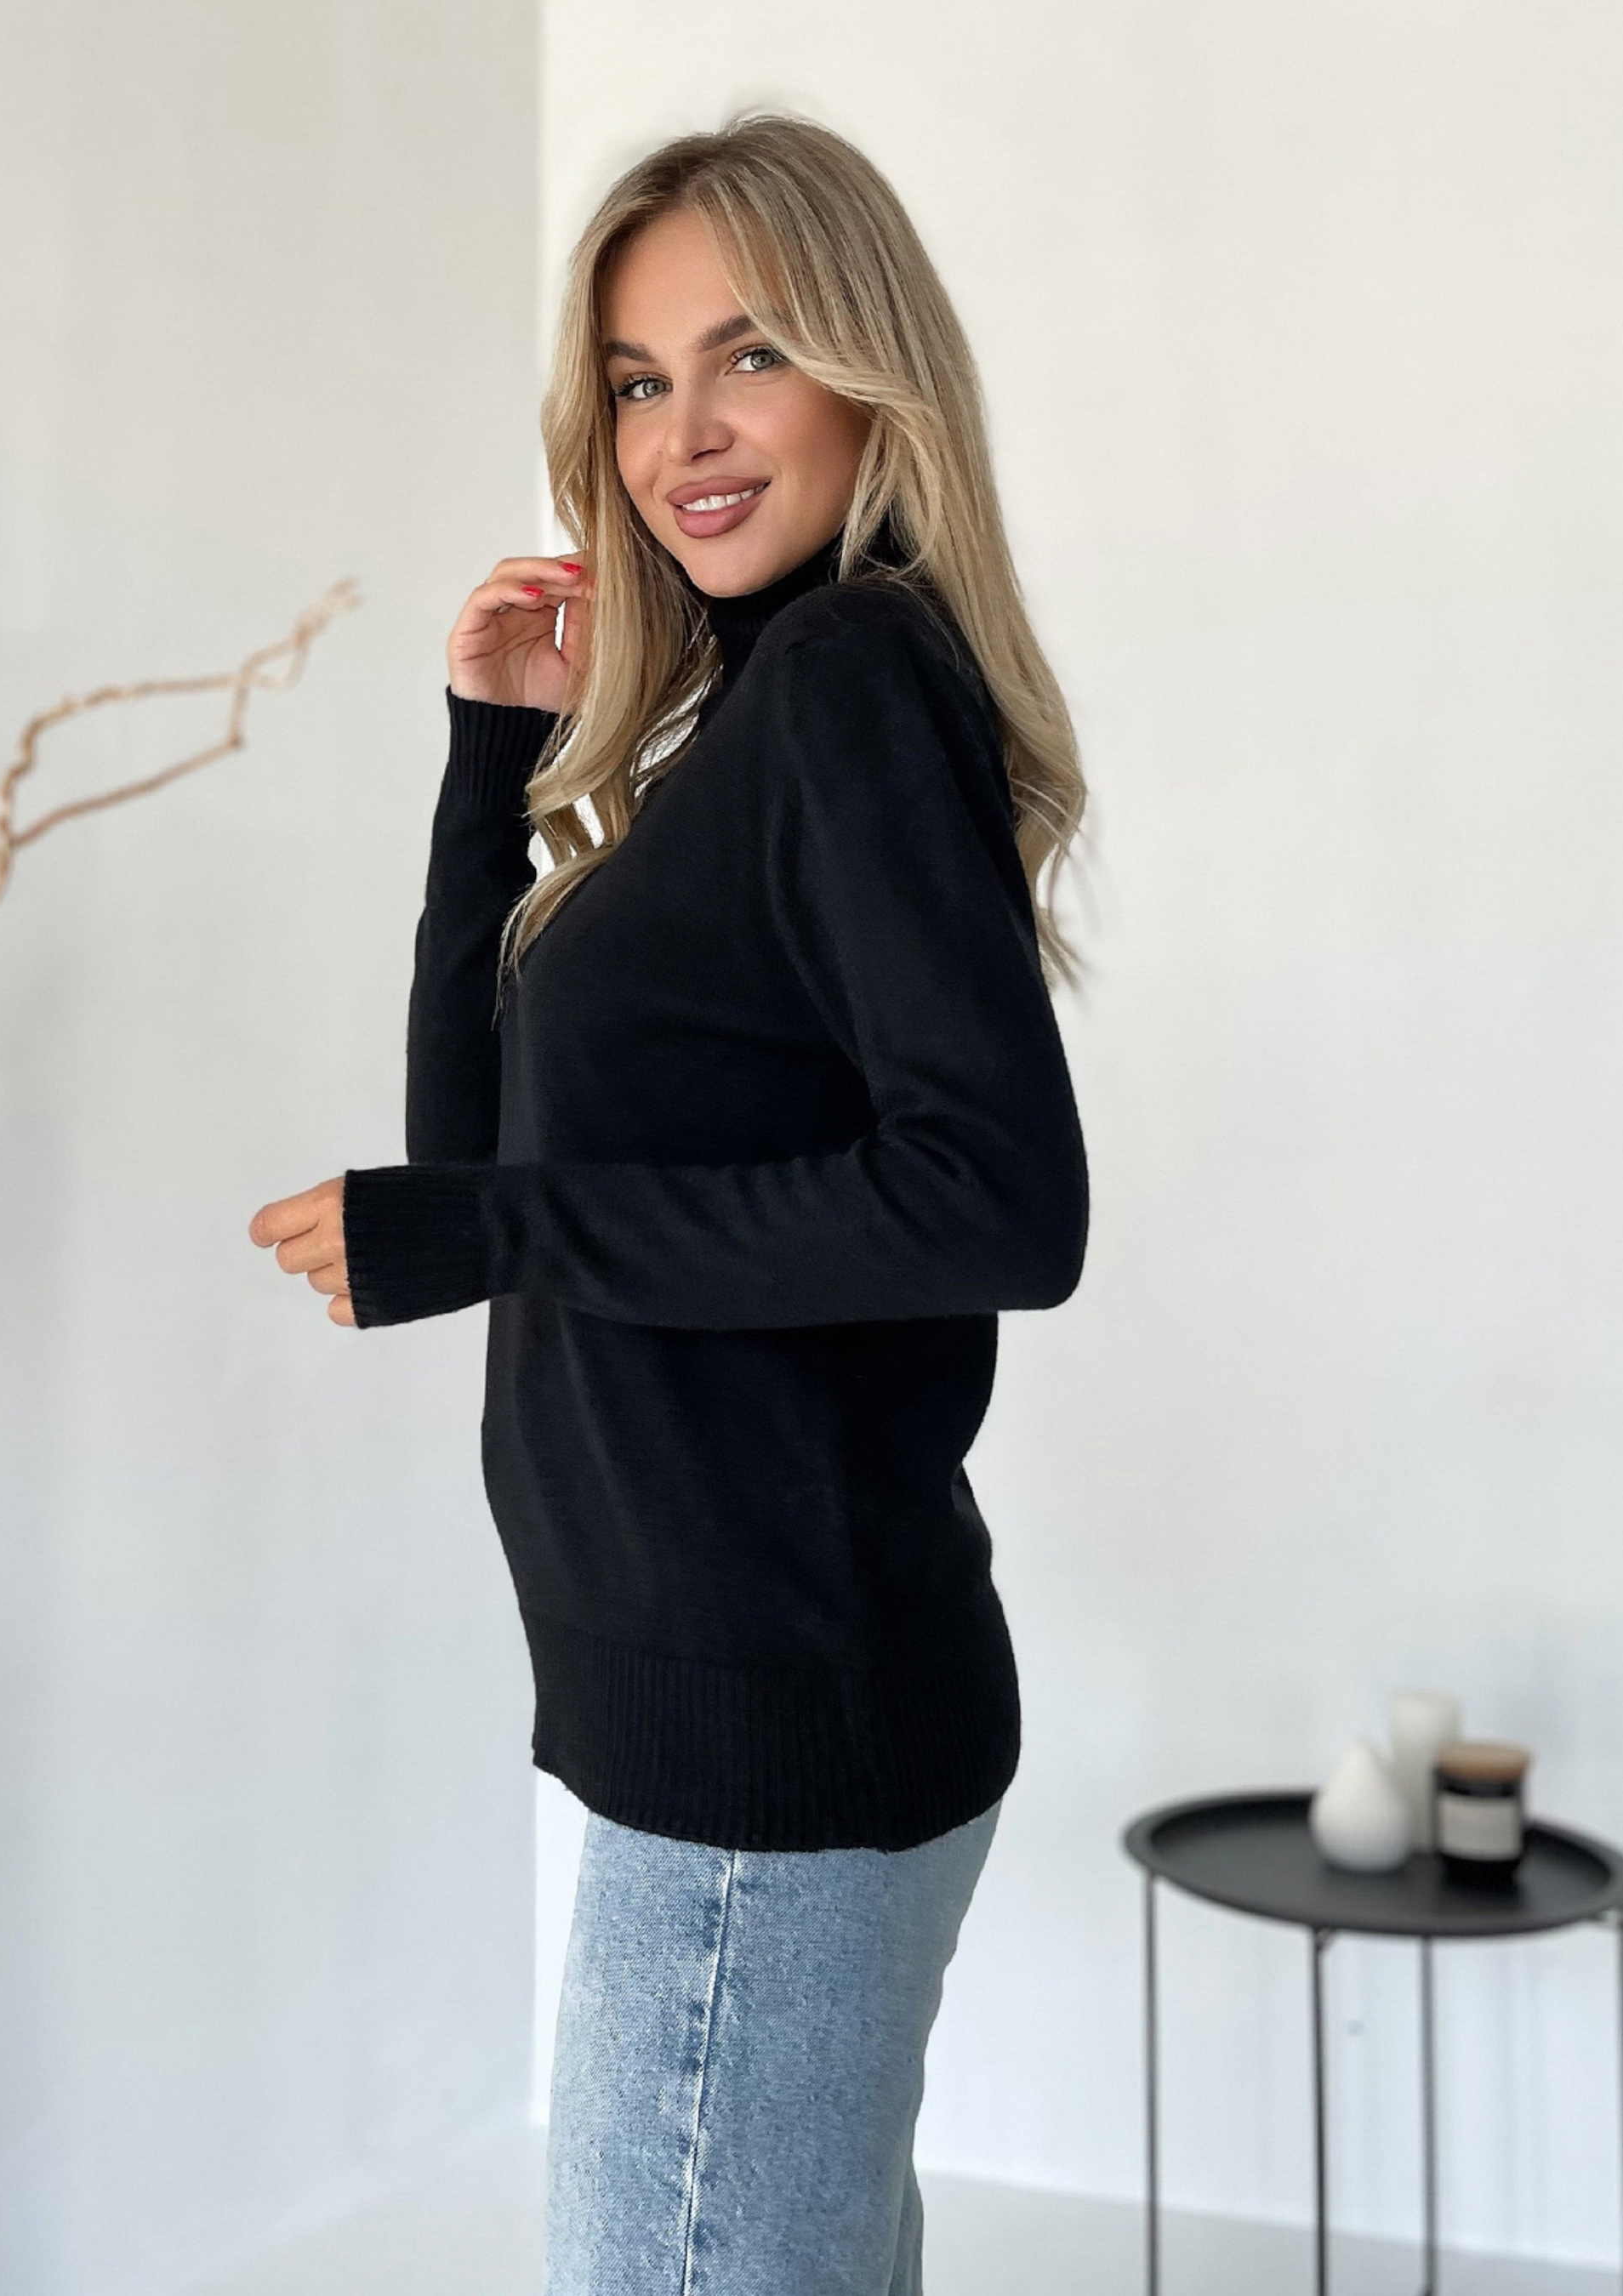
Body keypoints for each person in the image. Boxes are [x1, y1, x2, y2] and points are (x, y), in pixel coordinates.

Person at [249, 108, 1089, 2296]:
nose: (681, 435)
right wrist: (487, 760)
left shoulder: (847, 680)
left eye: (749, 357)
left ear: (871, 376)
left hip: (770, 1748)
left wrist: (501, 1237)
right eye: (636, 380)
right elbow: (475, 1158)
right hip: (734, 1726)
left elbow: (996, 1202)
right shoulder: (739, 721)